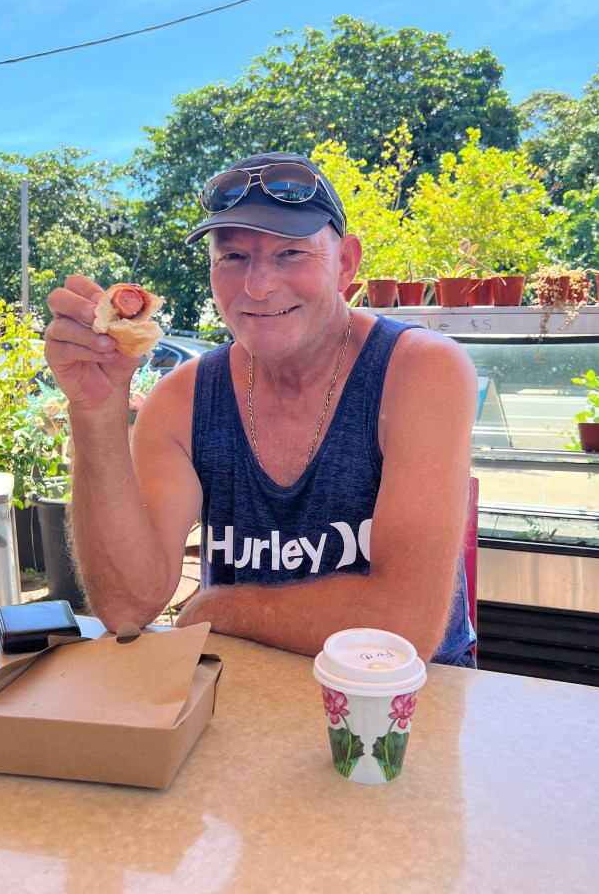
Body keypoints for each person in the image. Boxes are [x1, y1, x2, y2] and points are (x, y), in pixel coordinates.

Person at [44, 152, 478, 664]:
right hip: (244, 694)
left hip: (401, 701)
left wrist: (217, 609)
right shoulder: (184, 400)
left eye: (291, 252)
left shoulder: (419, 371)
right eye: (232, 257)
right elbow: (127, 605)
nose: (257, 286)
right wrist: (96, 413)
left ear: (345, 264)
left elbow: (402, 624)